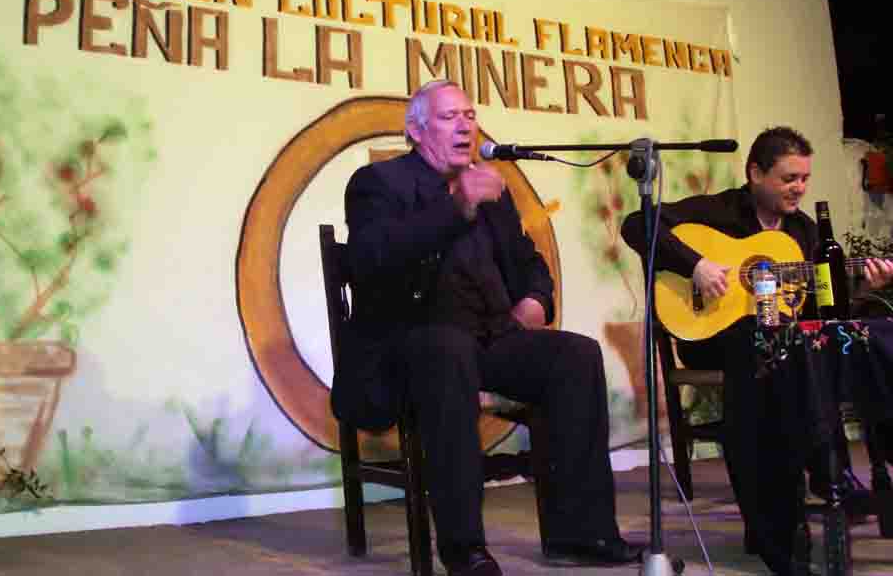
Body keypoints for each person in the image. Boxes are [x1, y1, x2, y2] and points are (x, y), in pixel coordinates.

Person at [330, 80, 642, 576]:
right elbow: (373, 258)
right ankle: (464, 549)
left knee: (575, 356)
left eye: (471, 116)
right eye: (450, 116)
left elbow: (527, 261)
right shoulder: (379, 184)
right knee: (448, 349)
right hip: (409, 344)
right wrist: (456, 208)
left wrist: (536, 299)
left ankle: (580, 534)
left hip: (490, 337)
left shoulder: (491, 188)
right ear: (416, 130)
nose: (466, 126)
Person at [621, 126, 893, 575]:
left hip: (783, 350)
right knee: (762, 347)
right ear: (755, 174)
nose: (799, 188)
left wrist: (862, 285)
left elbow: (821, 309)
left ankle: (824, 474)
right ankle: (793, 506)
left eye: (804, 178)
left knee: (843, 343)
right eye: (789, 178)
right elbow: (636, 223)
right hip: (713, 338)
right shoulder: (720, 210)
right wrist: (697, 265)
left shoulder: (804, 231)